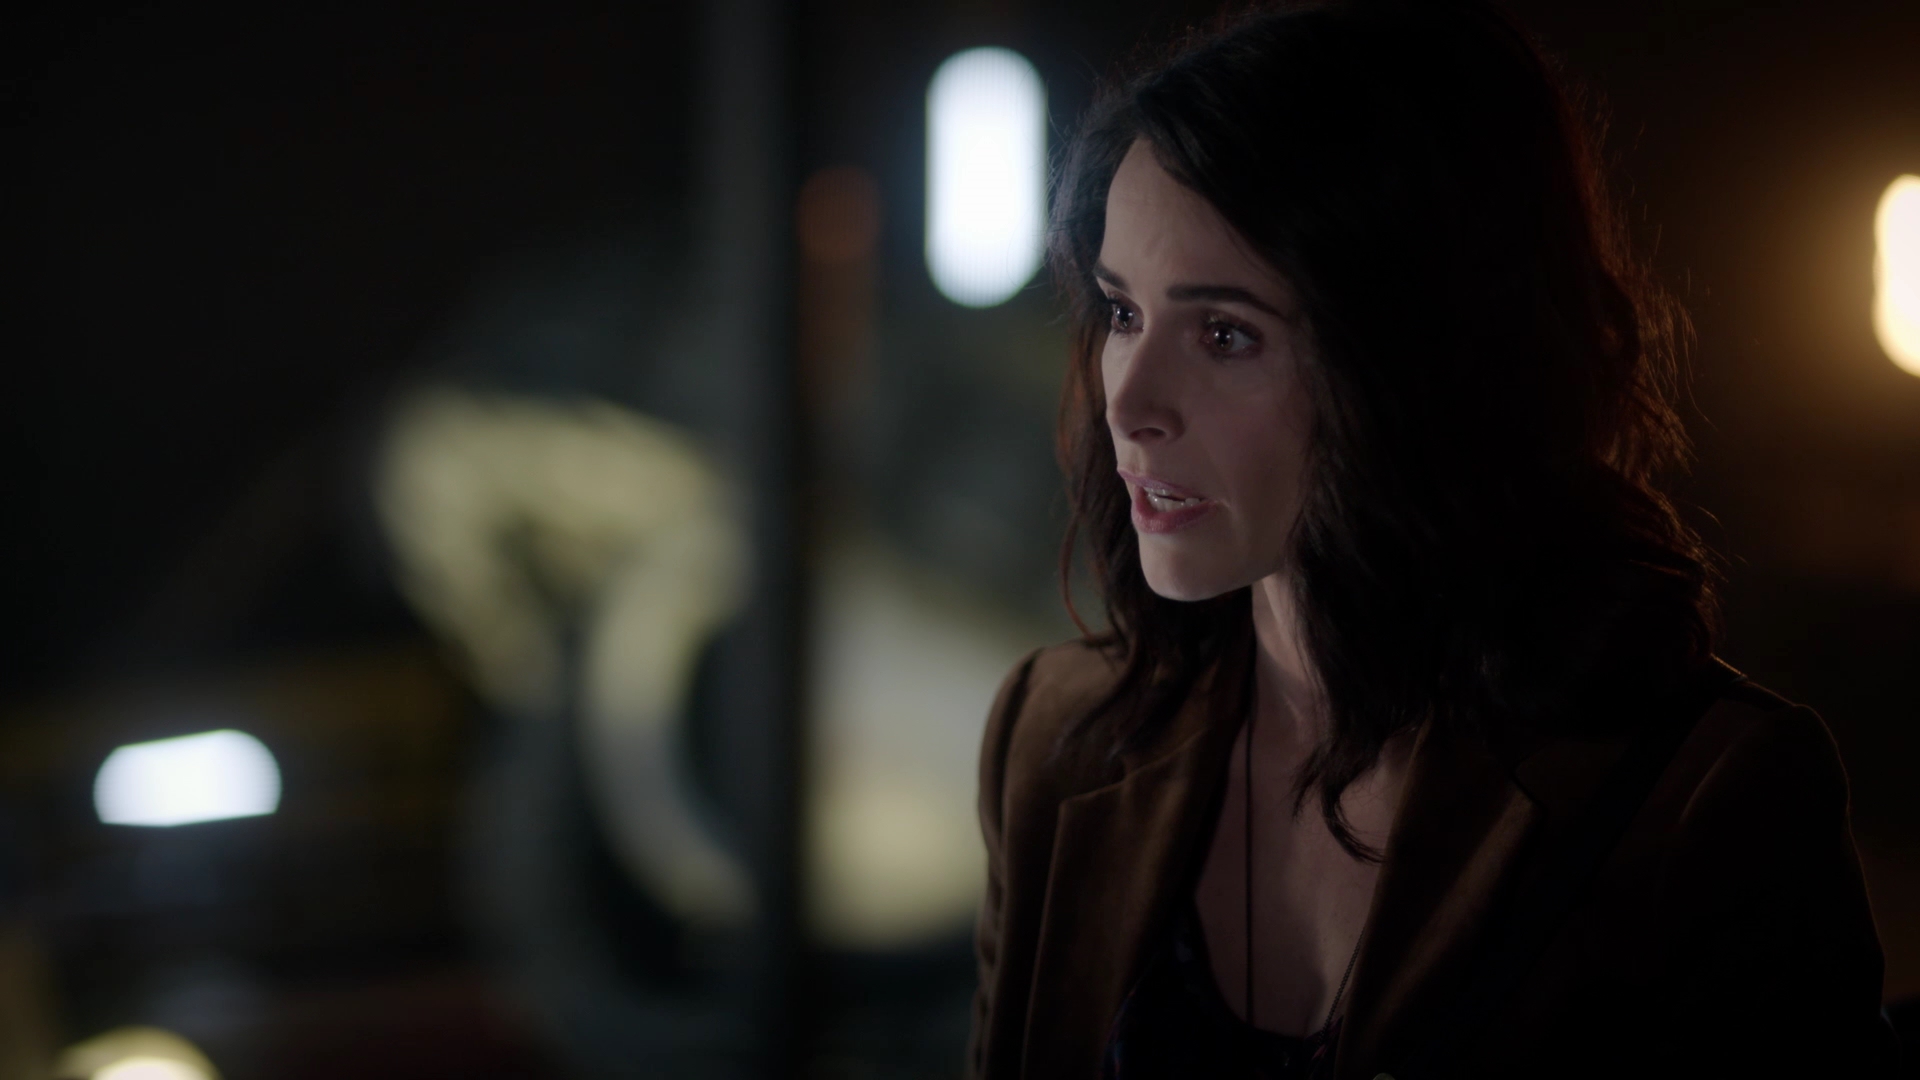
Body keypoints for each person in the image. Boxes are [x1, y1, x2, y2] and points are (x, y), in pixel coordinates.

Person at [965, 2, 1898, 1077]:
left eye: (1224, 334)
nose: (1129, 404)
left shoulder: (1705, 805)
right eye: (1122, 313)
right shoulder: (1055, 739)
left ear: (1416, 363)